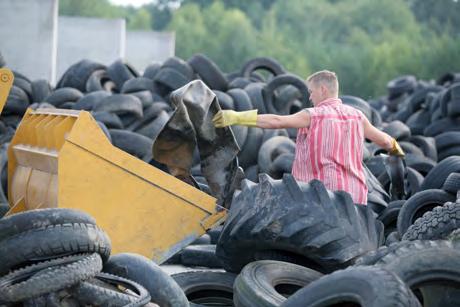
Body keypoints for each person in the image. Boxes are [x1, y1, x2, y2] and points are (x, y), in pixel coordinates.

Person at [212, 70, 404, 205]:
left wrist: (237, 117)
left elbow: (277, 121)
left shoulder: (313, 115)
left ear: (323, 90)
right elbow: (386, 142)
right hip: (355, 197)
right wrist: (396, 148)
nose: (310, 97)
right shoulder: (358, 116)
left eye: (311, 92)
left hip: (320, 197)